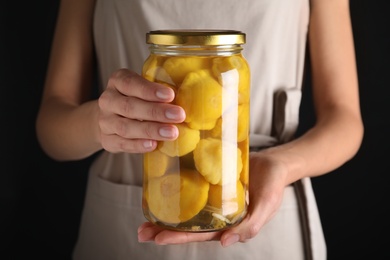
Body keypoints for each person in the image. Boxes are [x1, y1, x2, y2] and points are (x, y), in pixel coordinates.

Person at [35, 0, 364, 259]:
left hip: (267, 218)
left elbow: (345, 119)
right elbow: (51, 126)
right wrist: (100, 123)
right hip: (120, 231)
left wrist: (281, 165)